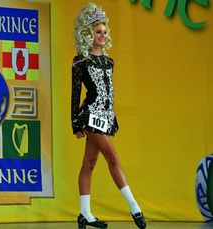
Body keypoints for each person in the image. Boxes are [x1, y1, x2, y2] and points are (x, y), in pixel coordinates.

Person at [71, 2, 146, 229]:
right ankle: (135, 208)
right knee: (112, 157)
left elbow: (110, 93)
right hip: (90, 115)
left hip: (105, 116)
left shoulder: (109, 62)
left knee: (90, 162)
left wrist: (112, 117)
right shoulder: (80, 61)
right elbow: (75, 95)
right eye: (97, 32)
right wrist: (75, 123)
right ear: (88, 34)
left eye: (104, 32)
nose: (102, 35)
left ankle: (85, 214)